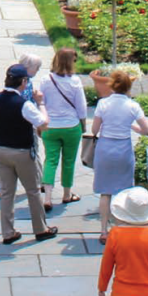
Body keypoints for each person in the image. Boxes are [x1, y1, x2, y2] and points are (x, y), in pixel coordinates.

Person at [0, 63, 58, 245]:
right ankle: (41, 229)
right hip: (21, 151)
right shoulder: (24, 104)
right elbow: (44, 123)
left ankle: (8, 232)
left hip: (1, 149)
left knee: (6, 192)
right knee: (33, 191)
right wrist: (41, 103)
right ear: (24, 82)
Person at [92, 69, 148, 242]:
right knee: (123, 191)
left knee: (105, 191)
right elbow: (146, 131)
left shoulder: (103, 104)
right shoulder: (133, 106)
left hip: (105, 147)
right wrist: (131, 127)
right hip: (123, 148)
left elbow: (95, 130)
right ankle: (119, 228)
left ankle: (103, 230)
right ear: (128, 87)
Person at [39, 47, 87, 210]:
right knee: (69, 161)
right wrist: (84, 124)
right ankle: (67, 194)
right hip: (71, 126)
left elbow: (41, 102)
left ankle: (47, 197)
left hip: (50, 126)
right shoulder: (75, 81)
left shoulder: (46, 79)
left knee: (50, 161)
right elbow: (81, 107)